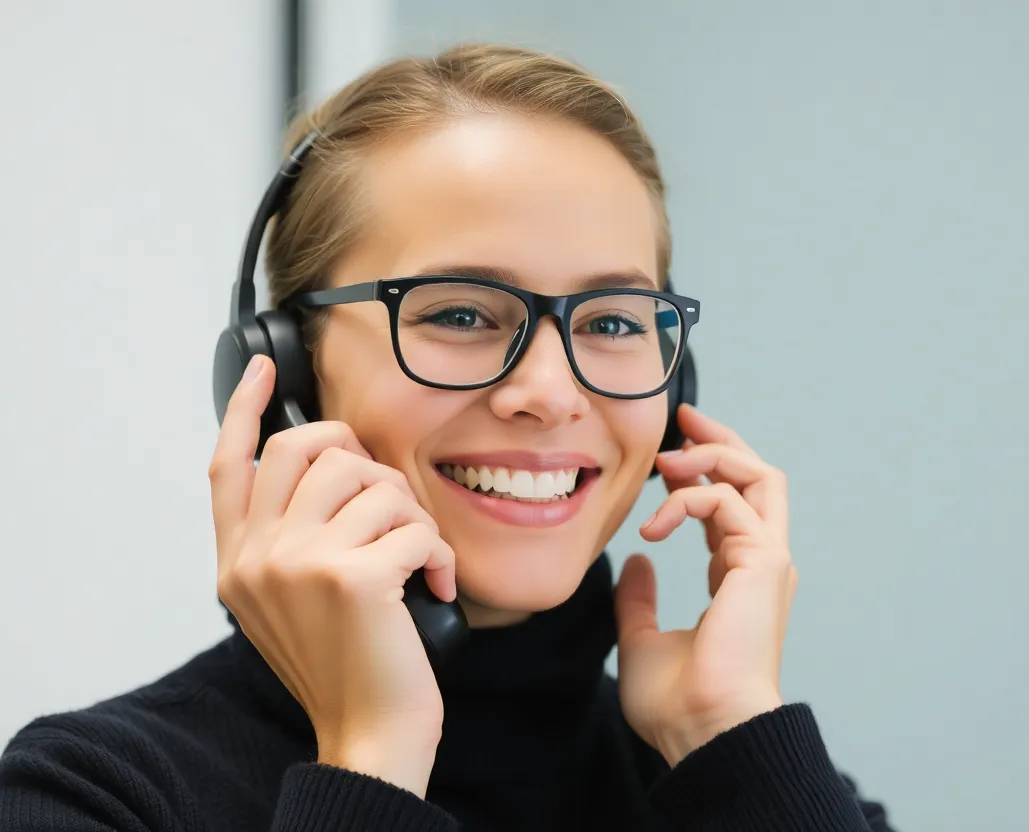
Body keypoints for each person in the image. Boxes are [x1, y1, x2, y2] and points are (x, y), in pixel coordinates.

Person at [0, 43, 894, 831]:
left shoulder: (767, 788)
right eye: (461, 312)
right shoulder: (90, 796)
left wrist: (727, 737)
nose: (550, 392)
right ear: (285, 378)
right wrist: (372, 756)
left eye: (615, 323)